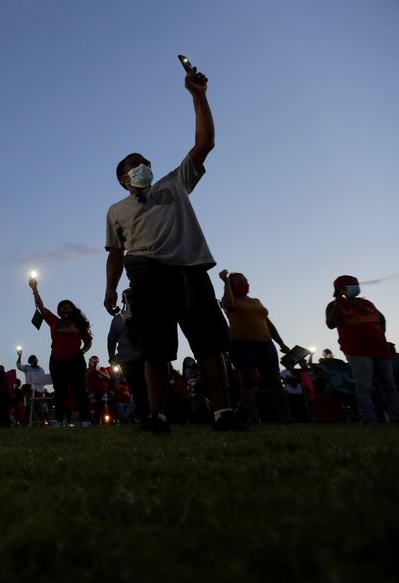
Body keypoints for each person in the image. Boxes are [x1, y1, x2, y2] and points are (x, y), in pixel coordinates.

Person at [102, 63, 240, 434]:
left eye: (145, 162)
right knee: (155, 350)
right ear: (123, 178)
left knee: (209, 345)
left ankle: (224, 413)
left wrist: (199, 97)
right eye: (135, 165)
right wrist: (110, 288)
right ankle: (157, 417)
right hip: (146, 277)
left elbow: (205, 143)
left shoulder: (175, 183)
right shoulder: (116, 210)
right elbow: (115, 252)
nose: (144, 166)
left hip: (189, 271)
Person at [219, 270, 292, 423]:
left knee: (274, 379)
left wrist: (281, 342)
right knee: (247, 380)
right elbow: (228, 304)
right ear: (231, 285)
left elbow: (268, 323)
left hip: (265, 342)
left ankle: (286, 417)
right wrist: (225, 282)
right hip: (241, 343)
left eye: (245, 280)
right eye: (239, 281)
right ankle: (252, 416)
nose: (244, 283)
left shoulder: (256, 301)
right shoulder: (229, 299)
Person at [325, 275, 399, 423]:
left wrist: (379, 333)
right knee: (364, 385)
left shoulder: (367, 303)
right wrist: (339, 304)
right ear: (341, 289)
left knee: (389, 384)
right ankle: (369, 419)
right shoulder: (334, 305)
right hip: (356, 350)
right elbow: (331, 324)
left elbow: (381, 318)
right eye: (352, 284)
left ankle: (396, 417)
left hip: (380, 348)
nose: (356, 286)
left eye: (356, 283)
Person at [30, 278, 92, 427]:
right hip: (57, 361)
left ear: (73, 310)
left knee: (79, 390)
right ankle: (59, 420)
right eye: (63, 307)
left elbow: (88, 341)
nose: (66, 309)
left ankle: (85, 419)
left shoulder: (79, 324)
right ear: (59, 311)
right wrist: (35, 289)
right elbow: (41, 306)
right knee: (60, 391)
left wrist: (82, 351)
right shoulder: (54, 321)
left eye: (68, 307)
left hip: (75, 361)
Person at [106, 289, 148, 420]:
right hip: (126, 359)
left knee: (147, 386)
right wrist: (112, 356)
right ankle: (144, 417)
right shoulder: (118, 319)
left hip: (144, 356)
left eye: (132, 297)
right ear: (123, 301)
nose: (129, 300)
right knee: (135, 389)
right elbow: (111, 339)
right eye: (127, 298)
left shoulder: (146, 313)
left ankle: (157, 415)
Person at [16, 348, 48, 425]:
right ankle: (25, 423)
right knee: (28, 406)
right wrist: (19, 356)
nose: (34, 361)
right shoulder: (27, 368)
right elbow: (19, 365)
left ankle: (39, 423)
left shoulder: (41, 369)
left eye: (35, 359)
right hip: (30, 389)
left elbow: (43, 380)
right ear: (30, 362)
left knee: (38, 408)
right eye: (32, 360)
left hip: (39, 390)